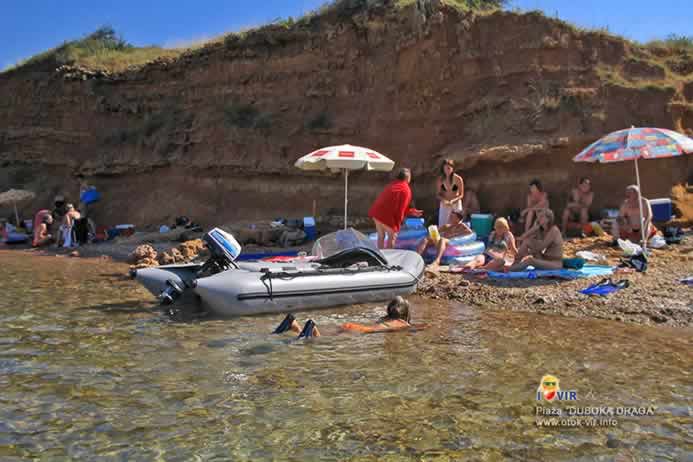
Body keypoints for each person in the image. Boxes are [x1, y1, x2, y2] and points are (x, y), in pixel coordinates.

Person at [272, 296, 415, 338]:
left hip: (352, 325)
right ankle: (312, 327)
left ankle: (294, 324)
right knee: (321, 341)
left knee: (326, 336)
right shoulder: (403, 324)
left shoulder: (385, 319)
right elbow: (414, 328)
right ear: (405, 313)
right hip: (361, 330)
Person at [368, 168, 423, 249]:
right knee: (392, 236)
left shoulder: (392, 184)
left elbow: (395, 204)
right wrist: (397, 226)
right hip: (385, 215)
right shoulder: (406, 189)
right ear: (408, 178)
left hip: (376, 213)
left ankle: (380, 258)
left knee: (381, 236)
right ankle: (389, 259)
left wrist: (412, 212)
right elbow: (401, 209)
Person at [436, 159, 465, 227]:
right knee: (443, 225)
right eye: (445, 168)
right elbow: (437, 194)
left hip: (456, 204)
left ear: (452, 168)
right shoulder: (440, 179)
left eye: (449, 168)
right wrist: (444, 200)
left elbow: (461, 194)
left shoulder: (458, 179)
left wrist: (453, 201)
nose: (447, 170)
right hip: (445, 204)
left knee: (457, 225)